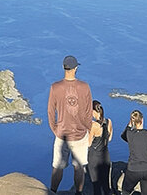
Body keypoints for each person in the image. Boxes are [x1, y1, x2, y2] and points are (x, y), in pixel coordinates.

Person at [46, 55, 93, 193]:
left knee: (58, 167)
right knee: (79, 168)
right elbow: (88, 112)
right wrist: (88, 129)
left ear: (63, 67)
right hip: (80, 134)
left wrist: (55, 129)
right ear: (76, 68)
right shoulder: (85, 87)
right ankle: (79, 192)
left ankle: (52, 191)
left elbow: (50, 111)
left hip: (62, 134)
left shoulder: (55, 87)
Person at [120, 110, 147, 195]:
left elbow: (123, 136)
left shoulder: (130, 134)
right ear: (142, 120)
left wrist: (130, 124)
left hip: (133, 170)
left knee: (125, 191)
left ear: (133, 121)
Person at [87, 100, 112, 195]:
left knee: (96, 185)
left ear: (94, 111)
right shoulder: (109, 122)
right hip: (105, 156)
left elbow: (89, 144)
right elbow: (109, 138)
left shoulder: (93, 125)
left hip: (94, 157)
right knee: (106, 184)